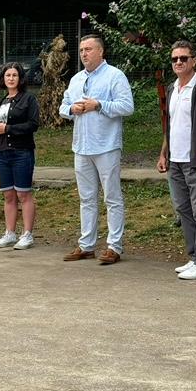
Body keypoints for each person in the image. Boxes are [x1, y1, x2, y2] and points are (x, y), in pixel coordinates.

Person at [59, 34, 134, 265]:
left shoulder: (115, 76)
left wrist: (99, 105)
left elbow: (127, 106)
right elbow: (63, 106)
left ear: (101, 51)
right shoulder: (76, 79)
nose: (84, 54)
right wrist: (71, 109)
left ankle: (114, 246)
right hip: (81, 146)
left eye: (89, 49)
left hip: (106, 146)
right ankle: (87, 245)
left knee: (112, 197)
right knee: (86, 198)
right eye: (82, 50)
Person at [157, 40, 196, 280]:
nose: (179, 62)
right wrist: (164, 153)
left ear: (194, 61)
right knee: (183, 209)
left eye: (184, 58)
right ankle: (194, 257)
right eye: (174, 59)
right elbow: (170, 124)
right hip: (175, 161)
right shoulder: (172, 88)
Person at [0, 62, 40, 250]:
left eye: (14, 75)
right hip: (2, 152)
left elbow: (33, 124)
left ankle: (27, 234)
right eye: (7, 75)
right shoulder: (3, 101)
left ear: (20, 78)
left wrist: (7, 128)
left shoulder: (28, 99)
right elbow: (0, 124)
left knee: (23, 193)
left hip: (21, 152)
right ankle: (10, 233)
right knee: (8, 195)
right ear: (3, 79)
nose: (11, 78)